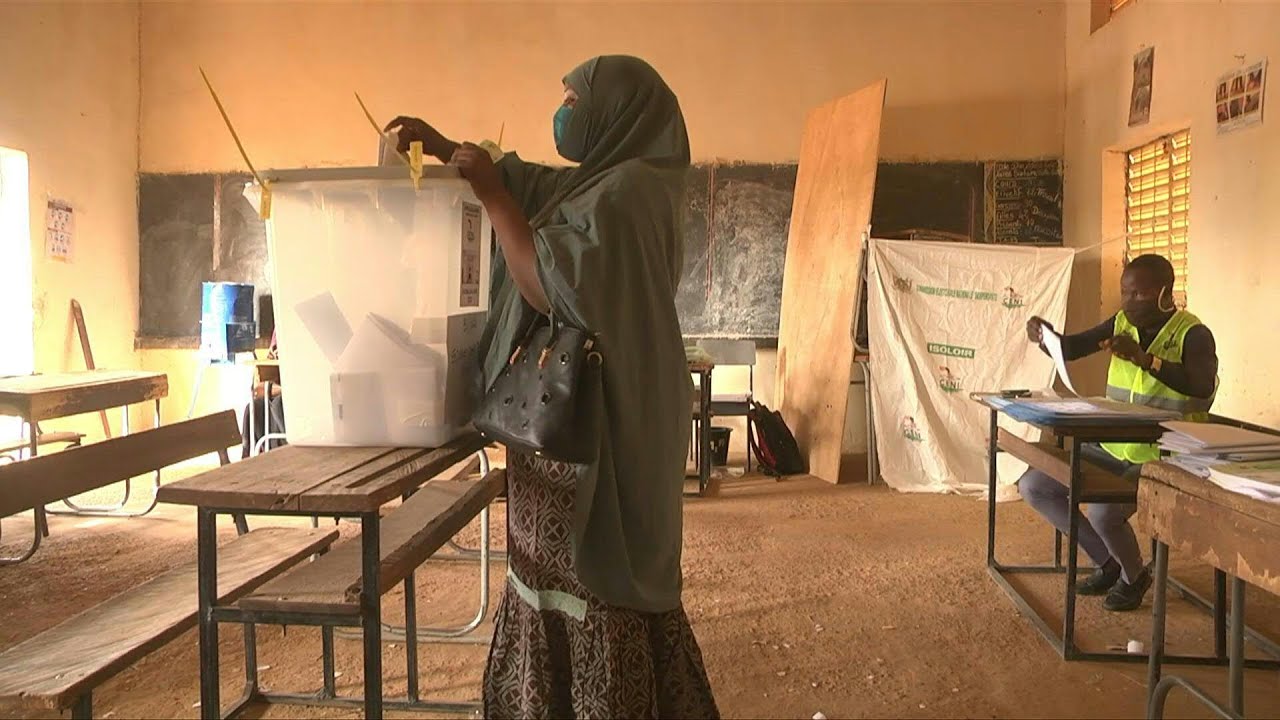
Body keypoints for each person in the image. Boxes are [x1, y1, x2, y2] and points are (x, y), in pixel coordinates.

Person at [388, 55, 718, 719]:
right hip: (579, 415)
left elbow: (548, 280)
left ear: (613, 112)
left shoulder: (627, 195)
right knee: (551, 570)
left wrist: (493, 197)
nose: (561, 111)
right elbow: (537, 184)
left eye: (572, 99)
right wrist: (453, 150)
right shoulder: (613, 182)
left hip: (605, 417)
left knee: (599, 566)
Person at [1022, 254, 1218, 612]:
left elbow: (1201, 386)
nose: (1128, 303)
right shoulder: (1121, 322)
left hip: (1167, 457)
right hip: (1116, 446)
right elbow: (1071, 348)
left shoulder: (1194, 334)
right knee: (1036, 485)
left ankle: (1134, 577)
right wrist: (1044, 336)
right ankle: (1108, 562)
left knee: (1102, 512)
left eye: (1138, 295)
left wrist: (1148, 360)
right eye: (1124, 293)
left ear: (1164, 293)